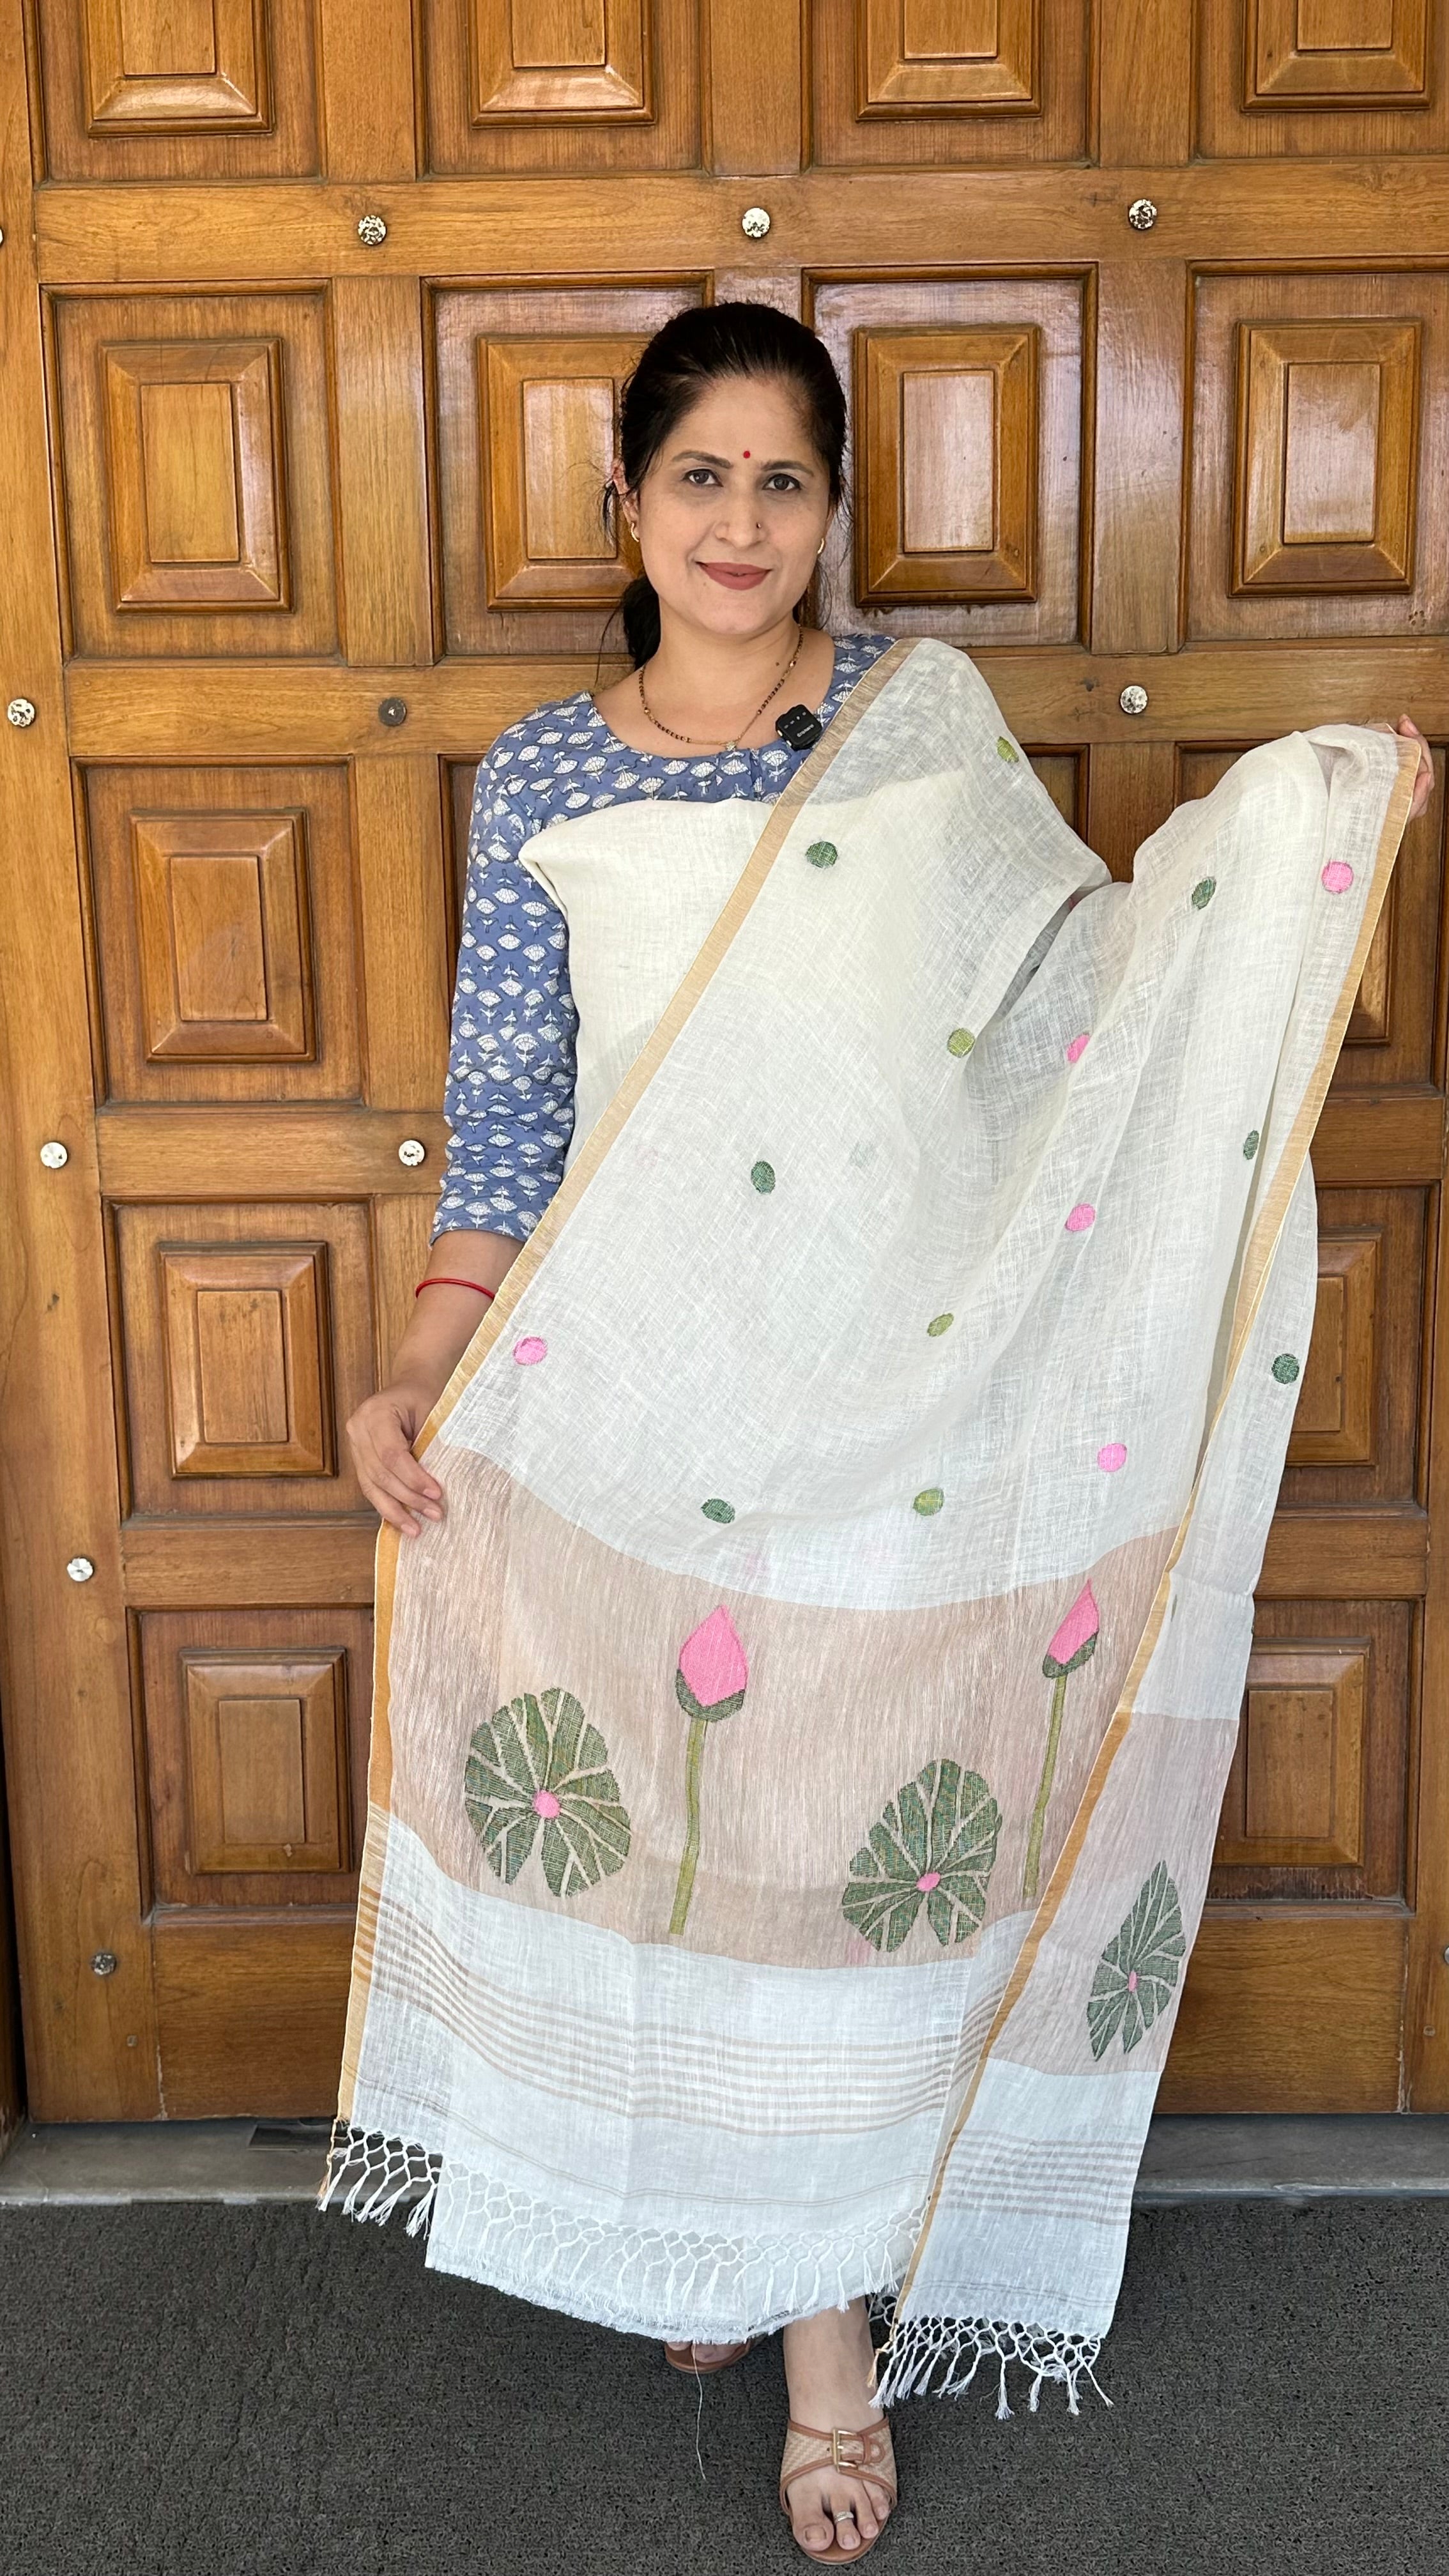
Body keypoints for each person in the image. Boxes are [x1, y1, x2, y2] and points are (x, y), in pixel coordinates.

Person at [335, 302, 1432, 2563]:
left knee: (822, 1844)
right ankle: (708, 2231)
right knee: (667, 1830)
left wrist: (1302, 834)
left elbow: (1085, 995)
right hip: (638, 1389)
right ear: (626, 505)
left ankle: (821, 2337)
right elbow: (508, 1120)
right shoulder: (543, 777)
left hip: (884, 1396)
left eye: (785, 479)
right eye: (700, 475)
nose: (741, 523)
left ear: (831, 507)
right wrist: (423, 1363)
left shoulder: (913, 739)